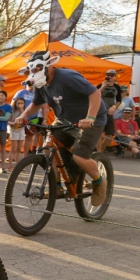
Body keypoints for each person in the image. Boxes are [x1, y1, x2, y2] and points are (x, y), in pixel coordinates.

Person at [14, 50, 108, 206]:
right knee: (47, 150)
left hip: (91, 118)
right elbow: (36, 104)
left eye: (37, 69)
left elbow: (95, 94)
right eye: (32, 70)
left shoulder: (67, 77)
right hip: (64, 119)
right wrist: (23, 116)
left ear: (49, 66)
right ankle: (56, 187)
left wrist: (90, 117)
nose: (34, 73)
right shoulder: (40, 83)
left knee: (79, 156)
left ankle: (99, 181)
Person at [12, 80, 46, 155]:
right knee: (16, 137)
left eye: (33, 84)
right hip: (20, 118)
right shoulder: (20, 92)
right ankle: (13, 155)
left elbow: (44, 107)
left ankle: (25, 155)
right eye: (29, 84)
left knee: (29, 137)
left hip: (33, 119)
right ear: (26, 84)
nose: (31, 85)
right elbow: (13, 104)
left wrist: (44, 119)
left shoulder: (37, 93)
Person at [95, 69, 122, 153]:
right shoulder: (100, 85)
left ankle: (101, 153)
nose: (109, 77)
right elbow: (94, 95)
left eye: (111, 75)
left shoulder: (117, 87)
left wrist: (114, 107)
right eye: (108, 75)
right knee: (98, 133)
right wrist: (103, 86)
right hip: (99, 111)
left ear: (115, 77)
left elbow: (119, 100)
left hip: (109, 111)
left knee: (109, 134)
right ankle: (98, 152)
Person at [7, 97, 27, 172]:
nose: (20, 105)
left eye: (22, 103)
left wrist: (23, 111)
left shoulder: (25, 111)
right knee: (13, 149)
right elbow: (7, 121)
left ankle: (18, 166)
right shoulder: (12, 111)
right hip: (14, 130)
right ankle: (10, 166)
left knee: (19, 149)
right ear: (15, 103)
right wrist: (13, 123)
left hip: (21, 130)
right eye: (18, 103)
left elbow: (26, 120)